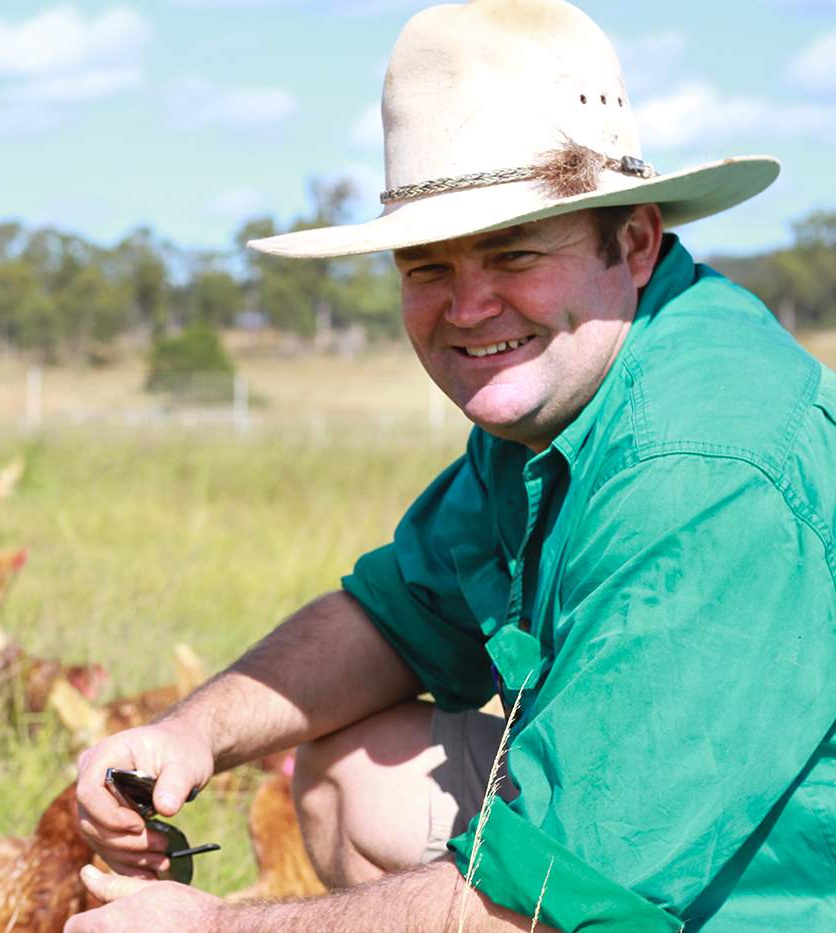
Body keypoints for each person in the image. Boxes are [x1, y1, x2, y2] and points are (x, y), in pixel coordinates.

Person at [66, 1, 836, 931]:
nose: (468, 307)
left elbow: (554, 899)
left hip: (791, 884)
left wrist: (217, 927)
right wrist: (187, 733)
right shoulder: (570, 396)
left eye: (513, 252)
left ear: (631, 243)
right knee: (351, 778)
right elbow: (397, 618)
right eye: (427, 267)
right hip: (653, 834)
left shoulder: (703, 469)